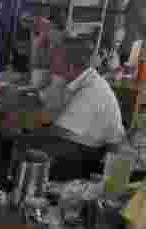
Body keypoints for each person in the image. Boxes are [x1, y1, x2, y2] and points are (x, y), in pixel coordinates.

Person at [18, 37, 126, 181]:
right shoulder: (74, 77)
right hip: (73, 139)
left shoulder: (92, 90)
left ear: (70, 66)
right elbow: (46, 97)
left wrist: (27, 127)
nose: (51, 64)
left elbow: (61, 131)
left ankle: (21, 187)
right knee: (18, 139)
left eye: (54, 60)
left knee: (21, 144)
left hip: (87, 153)